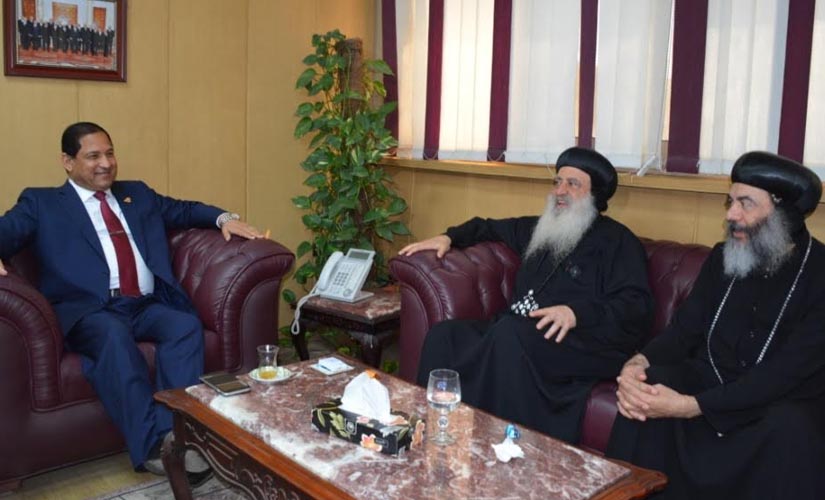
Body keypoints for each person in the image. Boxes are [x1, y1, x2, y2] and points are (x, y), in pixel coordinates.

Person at [0, 122, 263, 486]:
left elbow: (184, 210)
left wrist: (226, 218)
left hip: (143, 304)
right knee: (112, 336)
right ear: (67, 161)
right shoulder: (41, 203)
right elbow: (6, 231)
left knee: (184, 326)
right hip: (89, 311)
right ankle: (151, 446)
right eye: (93, 156)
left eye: (110, 154)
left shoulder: (135, 194)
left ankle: (177, 436)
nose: (106, 163)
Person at [607, 151, 825, 499]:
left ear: (784, 213)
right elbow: (683, 332)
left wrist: (690, 406)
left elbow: (785, 373)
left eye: (745, 204)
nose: (731, 215)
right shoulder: (723, 257)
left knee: (790, 429)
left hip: (776, 402)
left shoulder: (819, 274)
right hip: (712, 379)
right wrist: (637, 363)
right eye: (730, 201)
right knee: (650, 384)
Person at [399, 147, 654, 443]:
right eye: (557, 182)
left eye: (573, 184)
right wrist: (448, 237)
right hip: (520, 332)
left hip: (581, 341)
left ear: (594, 194)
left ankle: (490, 440)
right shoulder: (540, 228)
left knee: (509, 333)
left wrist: (576, 313)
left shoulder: (619, 241)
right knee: (445, 335)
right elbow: (487, 227)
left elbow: (636, 305)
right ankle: (430, 430)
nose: (560, 191)